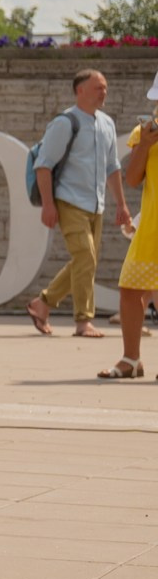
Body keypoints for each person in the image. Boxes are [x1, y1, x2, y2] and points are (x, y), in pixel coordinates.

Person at [27, 69, 131, 337]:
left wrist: (121, 204)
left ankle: (43, 303)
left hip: (96, 204)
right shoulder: (65, 122)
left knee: (85, 260)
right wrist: (48, 205)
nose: (104, 92)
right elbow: (43, 166)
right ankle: (83, 321)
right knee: (85, 256)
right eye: (98, 87)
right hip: (69, 200)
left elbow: (113, 166)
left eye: (105, 87)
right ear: (80, 90)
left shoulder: (107, 123)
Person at [102, 82, 158, 379]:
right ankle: (131, 359)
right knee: (129, 289)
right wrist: (146, 144)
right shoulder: (144, 133)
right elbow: (134, 179)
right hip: (151, 225)